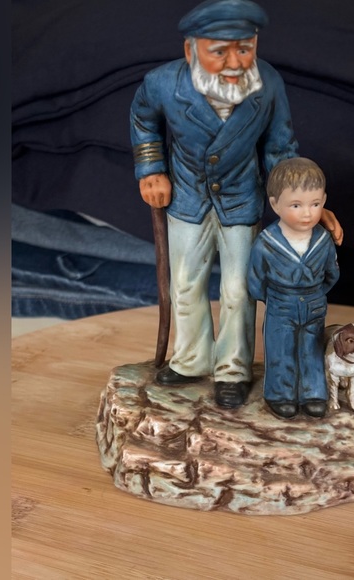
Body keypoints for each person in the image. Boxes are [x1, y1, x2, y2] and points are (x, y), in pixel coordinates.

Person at [130, 0, 342, 409]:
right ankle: (191, 360)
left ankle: (232, 369)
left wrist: (301, 206)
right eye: (219, 51)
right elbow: (143, 119)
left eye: (244, 49)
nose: (234, 62)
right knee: (185, 282)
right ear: (191, 49)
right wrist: (151, 170)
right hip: (187, 197)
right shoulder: (162, 84)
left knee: (238, 288)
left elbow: (280, 148)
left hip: (242, 199)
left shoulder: (268, 84)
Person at [247, 158, 340, 419]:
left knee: (312, 349)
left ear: (324, 200)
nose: (307, 213)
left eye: (315, 204)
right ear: (275, 204)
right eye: (296, 205)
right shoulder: (266, 243)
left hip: (313, 303)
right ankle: (280, 394)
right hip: (280, 303)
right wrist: (272, 299)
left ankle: (313, 393)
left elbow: (332, 273)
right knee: (281, 349)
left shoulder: (323, 240)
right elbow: (255, 278)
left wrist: (316, 294)